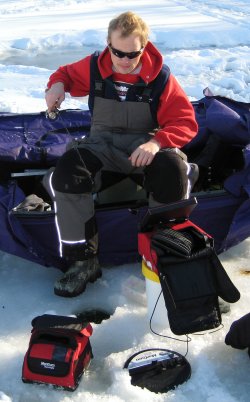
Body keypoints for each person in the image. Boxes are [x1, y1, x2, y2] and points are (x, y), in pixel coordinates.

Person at [44, 11, 198, 297]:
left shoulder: (162, 77)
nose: (125, 61)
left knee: (173, 170)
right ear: (108, 44)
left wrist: (156, 143)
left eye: (133, 54)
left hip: (144, 148)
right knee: (67, 174)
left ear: (145, 47)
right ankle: (83, 261)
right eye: (118, 53)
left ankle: (165, 255)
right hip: (101, 146)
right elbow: (64, 74)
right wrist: (57, 85)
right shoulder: (94, 67)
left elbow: (185, 122)